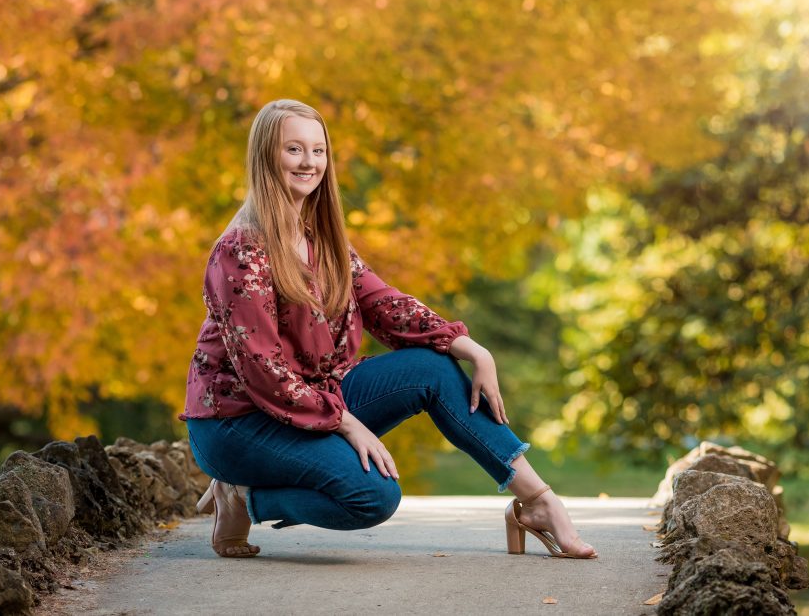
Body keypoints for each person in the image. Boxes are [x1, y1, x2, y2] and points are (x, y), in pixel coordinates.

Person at [180, 99, 597, 560]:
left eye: (318, 151)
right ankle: (240, 496)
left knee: (432, 368)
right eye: (293, 149)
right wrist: (348, 423)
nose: (309, 162)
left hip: (315, 396)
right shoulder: (241, 250)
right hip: (239, 424)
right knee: (373, 496)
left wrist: (473, 349)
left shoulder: (319, 236)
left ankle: (537, 502)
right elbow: (264, 370)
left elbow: (383, 303)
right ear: (265, 157)